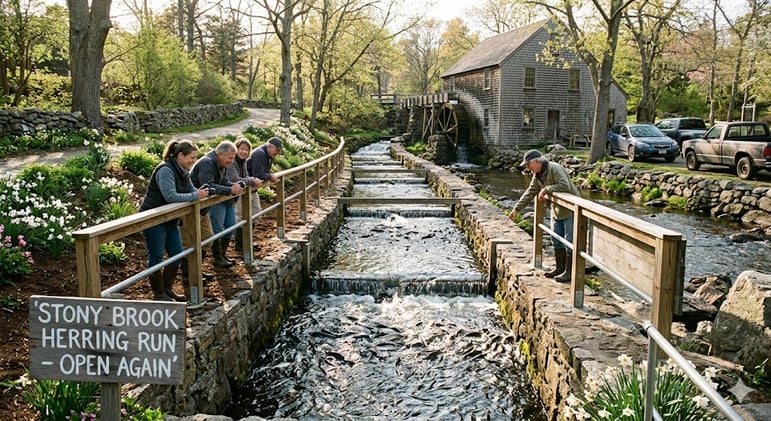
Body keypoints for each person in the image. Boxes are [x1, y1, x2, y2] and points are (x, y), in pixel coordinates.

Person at [139, 139, 210, 301]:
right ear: (180, 155)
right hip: (153, 218)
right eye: (191, 157)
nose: (193, 161)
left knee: (177, 254)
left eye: (194, 158)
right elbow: (170, 196)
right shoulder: (165, 170)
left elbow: (191, 189)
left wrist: (199, 194)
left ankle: (167, 289)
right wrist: (195, 196)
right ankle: (158, 294)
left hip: (170, 219)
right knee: (156, 256)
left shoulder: (183, 170)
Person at [507, 150, 580, 283]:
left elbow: (564, 185)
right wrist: (516, 209)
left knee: (569, 242)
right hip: (556, 209)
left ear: (537, 161)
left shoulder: (555, 168)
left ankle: (569, 272)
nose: (527, 168)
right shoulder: (537, 175)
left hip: (570, 209)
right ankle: (560, 268)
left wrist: (546, 189)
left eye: (528, 165)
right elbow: (530, 192)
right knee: (556, 239)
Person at [191, 141, 245, 267]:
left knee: (229, 226)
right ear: (220, 154)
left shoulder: (221, 164)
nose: (232, 162)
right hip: (196, 204)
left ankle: (220, 256)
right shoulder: (206, 163)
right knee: (207, 235)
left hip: (205, 204)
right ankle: (212, 260)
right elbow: (208, 185)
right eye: (230, 158)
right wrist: (230, 190)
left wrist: (233, 186)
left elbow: (223, 181)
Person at [226, 136, 261, 252]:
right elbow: (234, 178)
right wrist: (251, 180)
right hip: (232, 192)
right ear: (236, 148)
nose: (244, 152)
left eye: (246, 150)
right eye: (242, 149)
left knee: (256, 212)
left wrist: (251, 179)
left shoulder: (244, 161)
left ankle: (247, 240)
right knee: (240, 217)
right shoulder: (232, 161)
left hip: (243, 190)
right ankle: (240, 244)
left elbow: (245, 175)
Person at [248, 136, 282, 216]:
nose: (277, 153)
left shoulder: (269, 155)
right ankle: (242, 228)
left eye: (279, 150)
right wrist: (270, 176)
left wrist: (269, 175)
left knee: (256, 212)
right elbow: (258, 174)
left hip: (252, 188)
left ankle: (248, 228)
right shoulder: (260, 154)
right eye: (277, 150)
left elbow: (264, 171)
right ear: (270, 146)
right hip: (245, 188)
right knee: (241, 215)